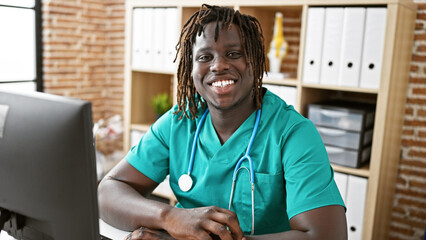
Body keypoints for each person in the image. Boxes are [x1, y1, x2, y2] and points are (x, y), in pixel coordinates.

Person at [98, 4, 347, 240]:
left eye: (234, 54)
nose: (219, 65)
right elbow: (108, 191)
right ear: (190, 68)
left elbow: (327, 236)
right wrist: (169, 217)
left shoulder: (294, 134)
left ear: (256, 61)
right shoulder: (180, 121)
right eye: (205, 57)